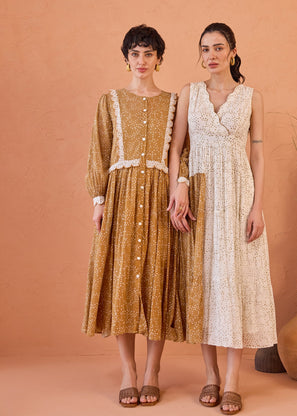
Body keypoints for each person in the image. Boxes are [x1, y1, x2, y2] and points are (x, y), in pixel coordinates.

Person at [168, 22, 277, 415]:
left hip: (238, 197)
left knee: (234, 283)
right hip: (199, 198)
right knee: (205, 283)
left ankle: (232, 381)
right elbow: (176, 148)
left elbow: (258, 155)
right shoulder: (189, 93)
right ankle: (210, 375)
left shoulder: (252, 97)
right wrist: (177, 189)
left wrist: (257, 207)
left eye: (218, 47)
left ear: (232, 51)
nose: (211, 55)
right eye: (204, 48)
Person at [82, 24, 185, 407]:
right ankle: (128, 370)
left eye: (149, 54)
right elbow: (99, 149)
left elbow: (183, 151)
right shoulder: (109, 101)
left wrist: (180, 187)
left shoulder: (174, 102)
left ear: (159, 58)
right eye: (135, 54)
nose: (142, 61)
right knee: (122, 280)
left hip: (159, 198)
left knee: (157, 278)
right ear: (126, 58)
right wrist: (99, 199)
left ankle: (153, 371)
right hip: (121, 199)